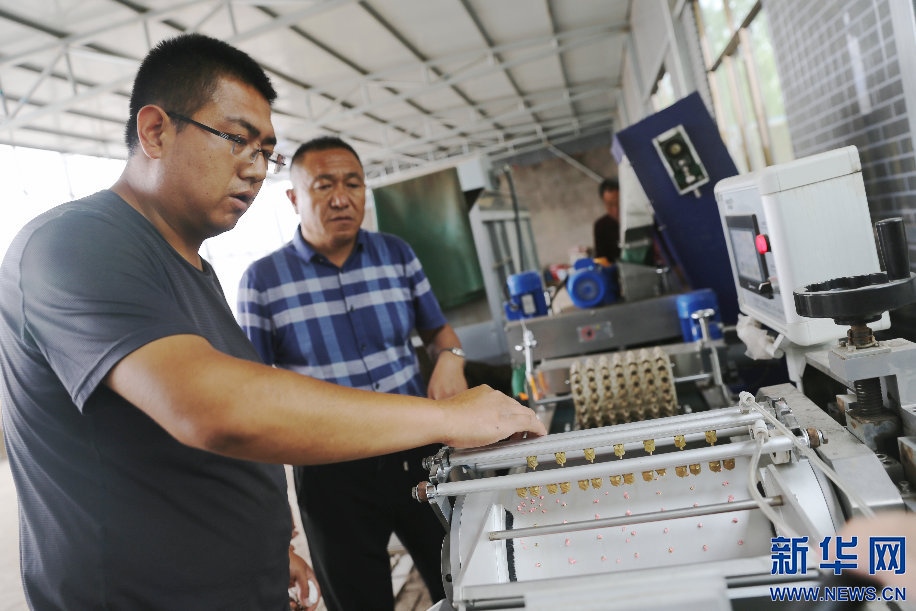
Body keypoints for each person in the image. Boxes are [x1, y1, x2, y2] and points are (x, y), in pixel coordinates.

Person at [0, 34, 546, 611]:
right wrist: (447, 417)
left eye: (267, 152)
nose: (256, 169)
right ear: (156, 131)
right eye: (238, 140)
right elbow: (215, 405)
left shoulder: (195, 271)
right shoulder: (74, 243)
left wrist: (267, 545)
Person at [237, 136, 465, 611]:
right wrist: (271, 511)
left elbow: (438, 331)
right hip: (328, 469)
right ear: (294, 198)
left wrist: (451, 357)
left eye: (353, 184)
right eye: (324, 185)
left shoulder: (397, 254)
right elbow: (252, 395)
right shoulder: (263, 281)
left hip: (416, 450)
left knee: (462, 582)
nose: (341, 198)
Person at [593, 177, 621, 262]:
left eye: (618, 203)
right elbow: (601, 260)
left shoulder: (639, 220)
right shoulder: (601, 227)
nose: (615, 210)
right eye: (610, 205)